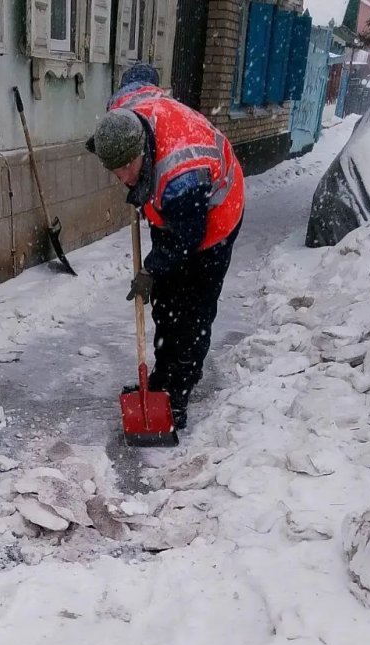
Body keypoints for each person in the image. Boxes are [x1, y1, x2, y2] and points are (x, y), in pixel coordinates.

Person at [86, 63, 245, 428]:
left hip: (215, 216)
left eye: (127, 168)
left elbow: (185, 239)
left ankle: (177, 394)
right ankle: (160, 382)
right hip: (174, 212)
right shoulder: (123, 113)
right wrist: (157, 276)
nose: (123, 178)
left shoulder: (180, 177)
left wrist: (151, 269)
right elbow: (140, 78)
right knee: (166, 302)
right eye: (115, 171)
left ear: (142, 150)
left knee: (192, 312)